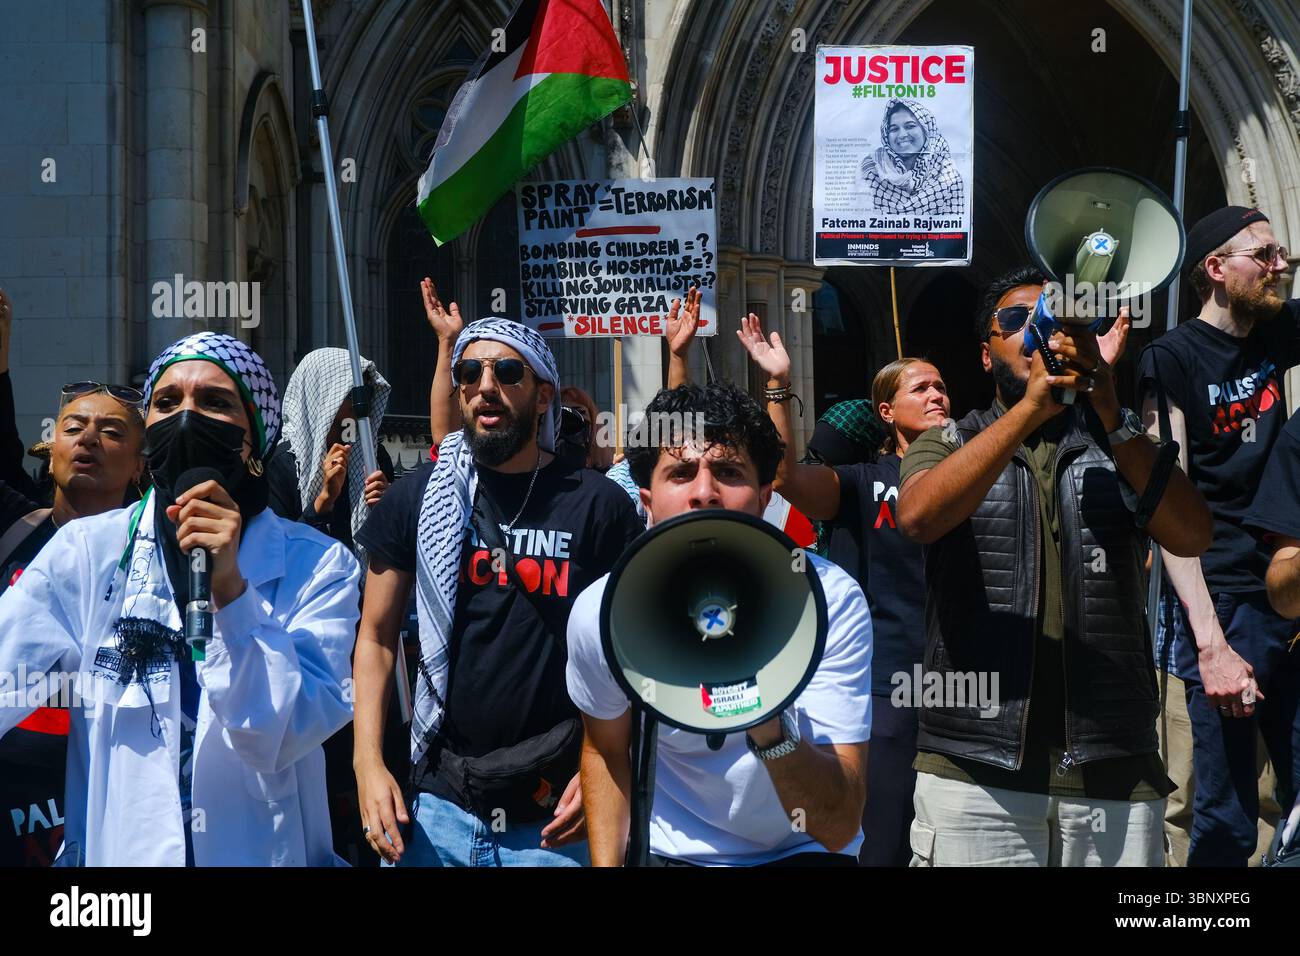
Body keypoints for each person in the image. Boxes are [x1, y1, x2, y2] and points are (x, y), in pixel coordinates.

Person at [0, 331, 360, 865]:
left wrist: (231, 594)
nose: (187, 417)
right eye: (168, 403)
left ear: (253, 440)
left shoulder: (320, 566)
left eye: (214, 402)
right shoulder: (85, 552)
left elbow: (278, 736)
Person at [895, 265, 1212, 866]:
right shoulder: (949, 441)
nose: (1038, 331)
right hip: (975, 766)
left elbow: (1193, 535)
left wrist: (1111, 408)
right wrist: (1032, 409)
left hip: (1114, 766)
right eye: (1016, 320)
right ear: (985, 356)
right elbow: (919, 517)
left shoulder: (1117, 445)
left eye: (1058, 320)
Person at [352, 317, 643, 867]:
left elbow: (628, 649)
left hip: (555, 818)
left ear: (542, 397)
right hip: (436, 808)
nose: (485, 385)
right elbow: (376, 636)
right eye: (469, 372)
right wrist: (367, 763)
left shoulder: (597, 504)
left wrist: (603, 762)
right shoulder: (415, 499)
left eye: (507, 371)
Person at [566, 381, 872, 866]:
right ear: (647, 499)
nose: (704, 493)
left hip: (802, 849)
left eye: (729, 472)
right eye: (682, 473)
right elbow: (607, 753)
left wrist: (768, 726)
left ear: (765, 495)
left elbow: (837, 826)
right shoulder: (601, 610)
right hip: (673, 854)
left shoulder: (830, 599)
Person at [740, 322, 948, 866]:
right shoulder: (862, 480)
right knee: (882, 838)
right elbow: (784, 478)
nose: (936, 395)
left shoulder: (979, 471)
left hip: (971, 686)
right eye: (920, 388)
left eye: (941, 386)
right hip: (889, 686)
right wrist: (779, 386)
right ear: (886, 412)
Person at [1138, 206, 1300, 867]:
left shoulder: (1277, 327)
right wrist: (1210, 645)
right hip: (1223, 601)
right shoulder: (1170, 359)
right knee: (1226, 816)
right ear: (1215, 268)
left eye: (1280, 253)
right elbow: (1164, 509)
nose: (1280, 265)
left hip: (1287, 593)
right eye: (1264, 255)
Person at [859, 99, 964, 216]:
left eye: (910, 126)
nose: (902, 135)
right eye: (894, 129)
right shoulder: (873, 169)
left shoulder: (946, 174)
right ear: (886, 135)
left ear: (926, 130)